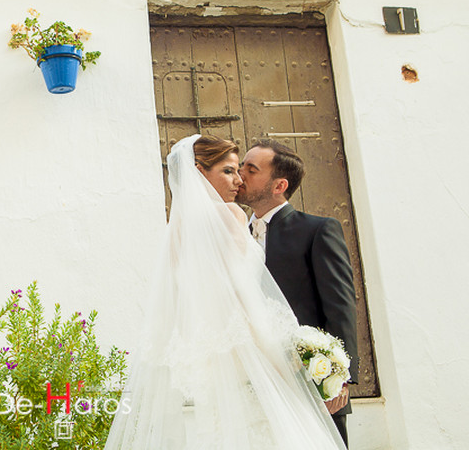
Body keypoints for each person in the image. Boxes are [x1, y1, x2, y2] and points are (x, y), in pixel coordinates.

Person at [105, 135, 346, 450]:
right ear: (200, 172)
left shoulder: (177, 230)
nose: (239, 180)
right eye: (230, 171)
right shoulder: (231, 216)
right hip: (251, 359)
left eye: (243, 171)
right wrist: (281, 364)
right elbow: (243, 299)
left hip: (216, 370)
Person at [237, 140, 358, 447]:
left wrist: (338, 376)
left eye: (251, 169)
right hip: (253, 383)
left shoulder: (317, 230)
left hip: (310, 382)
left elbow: (340, 305)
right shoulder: (232, 237)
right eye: (240, 166)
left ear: (279, 185)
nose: (240, 174)